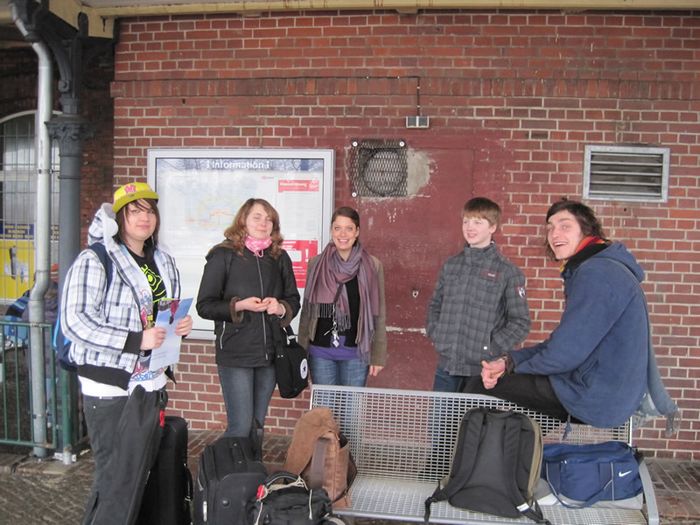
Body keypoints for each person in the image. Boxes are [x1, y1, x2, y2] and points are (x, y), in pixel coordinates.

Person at [478, 198, 678, 431]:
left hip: (598, 395)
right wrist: (509, 361)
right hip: (603, 388)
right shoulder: (598, 266)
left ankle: (449, 456)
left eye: (565, 226)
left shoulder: (597, 272)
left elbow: (565, 353)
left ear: (586, 230)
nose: (555, 234)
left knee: (477, 385)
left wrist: (513, 369)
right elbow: (561, 344)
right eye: (550, 228)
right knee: (526, 414)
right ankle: (523, 453)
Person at [60, 182, 193, 524]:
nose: (144, 217)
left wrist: (179, 324)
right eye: (134, 210)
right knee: (115, 483)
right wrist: (135, 340)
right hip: (111, 389)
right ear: (119, 218)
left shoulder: (163, 261)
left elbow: (162, 313)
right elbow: (75, 322)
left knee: (143, 481)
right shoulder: (96, 259)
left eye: (149, 210)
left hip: (151, 382)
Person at [196, 198, 300, 437]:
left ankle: (253, 463)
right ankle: (230, 462)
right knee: (241, 426)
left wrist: (280, 307)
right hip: (236, 352)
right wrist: (240, 305)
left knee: (257, 425)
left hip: (270, 352)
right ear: (243, 220)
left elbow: (293, 299)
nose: (264, 223)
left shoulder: (279, 257)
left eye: (269, 219)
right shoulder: (223, 255)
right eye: (257, 217)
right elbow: (205, 306)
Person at [427, 197, 530, 393]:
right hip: (447, 366)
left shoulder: (507, 272)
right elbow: (435, 304)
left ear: (492, 227)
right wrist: (437, 334)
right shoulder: (451, 265)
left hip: (482, 370)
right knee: (440, 415)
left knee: (475, 415)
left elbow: (520, 322)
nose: (469, 227)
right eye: (466, 221)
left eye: (477, 222)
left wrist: (491, 347)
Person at [297, 206, 387, 386]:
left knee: (351, 406)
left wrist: (378, 356)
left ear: (357, 232)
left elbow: (379, 313)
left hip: (356, 354)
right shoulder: (316, 264)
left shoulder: (372, 266)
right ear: (331, 230)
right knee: (323, 405)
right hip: (320, 352)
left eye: (349, 228)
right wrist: (301, 351)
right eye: (337, 228)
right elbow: (307, 311)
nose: (342, 234)